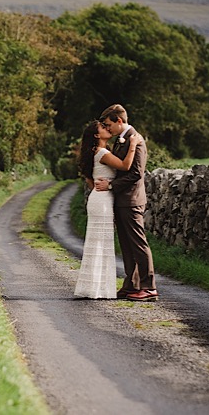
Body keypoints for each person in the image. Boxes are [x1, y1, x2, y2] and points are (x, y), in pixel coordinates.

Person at [74, 121, 139, 299]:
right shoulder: (102, 152)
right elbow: (125, 166)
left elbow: (90, 180)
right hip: (102, 200)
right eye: (103, 128)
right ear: (97, 135)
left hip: (97, 197)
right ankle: (99, 289)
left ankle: (93, 288)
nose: (107, 129)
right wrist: (133, 145)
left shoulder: (94, 153)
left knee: (97, 242)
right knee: (102, 243)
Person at [98, 104, 157, 302]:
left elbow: (135, 173)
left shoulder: (136, 140)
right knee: (126, 245)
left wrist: (111, 186)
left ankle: (148, 287)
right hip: (122, 200)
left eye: (108, 125)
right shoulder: (122, 140)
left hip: (131, 200)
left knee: (138, 244)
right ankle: (132, 284)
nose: (107, 129)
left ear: (119, 121)